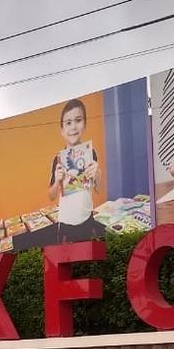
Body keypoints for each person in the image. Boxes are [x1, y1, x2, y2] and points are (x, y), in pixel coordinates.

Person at [47, 99, 102, 243]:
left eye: (78, 120)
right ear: (62, 130)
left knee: (88, 260)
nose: (73, 127)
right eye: (68, 123)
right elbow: (51, 196)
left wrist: (97, 174)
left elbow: (98, 189)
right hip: (66, 223)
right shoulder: (57, 159)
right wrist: (57, 181)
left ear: (85, 124)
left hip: (87, 219)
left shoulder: (91, 153)